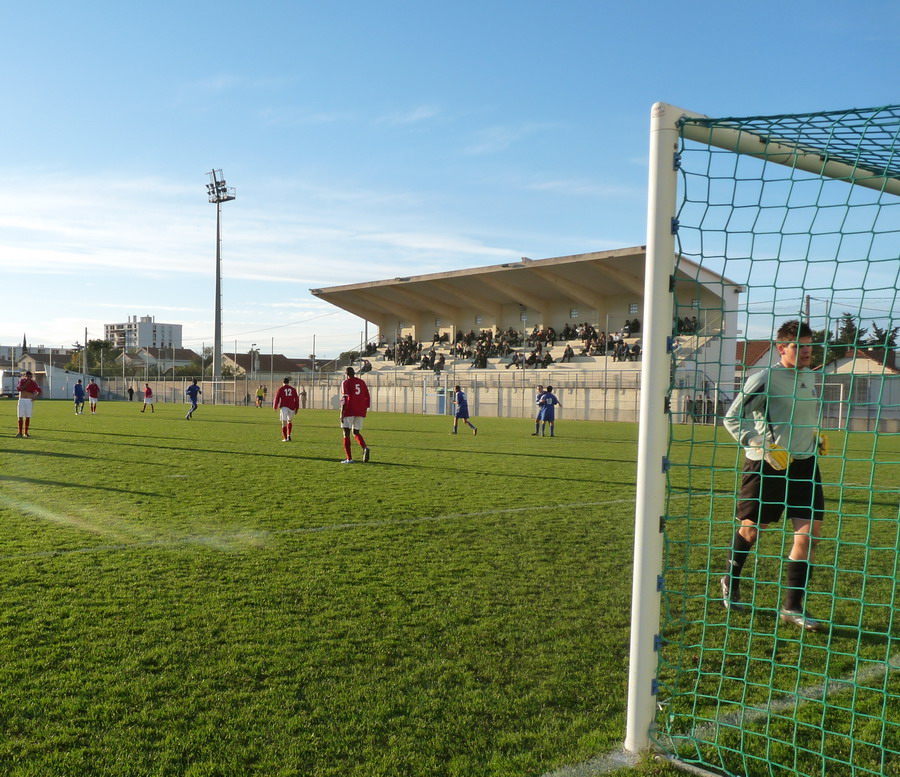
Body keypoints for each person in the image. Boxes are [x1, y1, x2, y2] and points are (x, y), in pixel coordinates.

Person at [720, 320, 829, 632]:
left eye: (810, 344)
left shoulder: (809, 376)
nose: (807, 351)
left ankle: (792, 607)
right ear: (782, 348)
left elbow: (799, 416)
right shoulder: (764, 378)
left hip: (805, 467)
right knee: (752, 532)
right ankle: (730, 579)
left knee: (809, 535)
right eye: (800, 345)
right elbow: (732, 417)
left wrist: (813, 437)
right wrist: (760, 444)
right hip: (766, 467)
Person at [339, 366, 370, 463]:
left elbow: (345, 397)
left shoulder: (346, 382)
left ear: (346, 374)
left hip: (349, 410)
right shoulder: (361, 382)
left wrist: (342, 412)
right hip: (360, 410)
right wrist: (365, 408)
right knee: (356, 432)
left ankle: (349, 458)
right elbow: (367, 396)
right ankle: (365, 447)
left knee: (346, 433)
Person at [15, 371, 42, 437]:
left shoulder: (33, 383)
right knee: (20, 416)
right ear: (25, 376)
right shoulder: (21, 381)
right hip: (22, 400)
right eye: (27, 376)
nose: (29, 378)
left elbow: (39, 390)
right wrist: (27, 383)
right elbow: (19, 389)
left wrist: (35, 397)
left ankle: (26, 433)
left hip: (29, 400)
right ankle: (19, 432)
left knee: (28, 416)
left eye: (30, 376)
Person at [272, 376, 300, 441]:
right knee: (289, 421)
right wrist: (297, 408)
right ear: (288, 382)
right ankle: (289, 435)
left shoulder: (281, 389)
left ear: (283, 382)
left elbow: (277, 398)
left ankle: (285, 438)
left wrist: (275, 406)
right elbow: (296, 399)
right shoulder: (293, 389)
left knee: (284, 422)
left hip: (284, 407)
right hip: (292, 407)